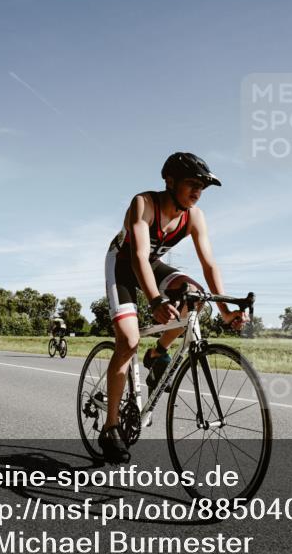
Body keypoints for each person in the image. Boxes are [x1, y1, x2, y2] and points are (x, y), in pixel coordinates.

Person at [100, 152, 248, 462]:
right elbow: (138, 256)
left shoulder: (194, 216)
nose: (197, 192)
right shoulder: (144, 203)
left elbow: (208, 264)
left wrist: (225, 311)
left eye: (202, 188)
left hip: (152, 265)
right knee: (127, 341)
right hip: (123, 264)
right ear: (170, 182)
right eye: (192, 184)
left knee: (196, 297)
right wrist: (155, 300)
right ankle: (111, 425)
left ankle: (158, 353)